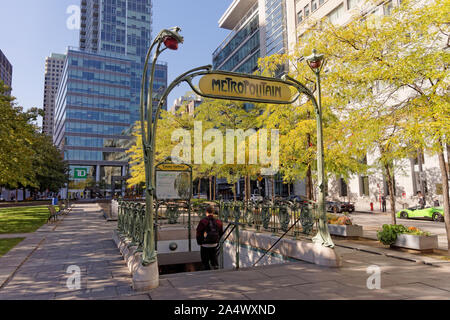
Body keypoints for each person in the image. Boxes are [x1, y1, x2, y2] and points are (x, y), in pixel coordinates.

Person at [196, 206, 224, 270]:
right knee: (214, 259)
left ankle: (207, 273)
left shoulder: (203, 221)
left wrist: (199, 242)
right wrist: (217, 240)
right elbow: (221, 232)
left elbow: (199, 233)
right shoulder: (218, 221)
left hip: (204, 244)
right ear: (213, 212)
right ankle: (216, 271)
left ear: (206, 212)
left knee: (205, 261)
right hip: (214, 244)